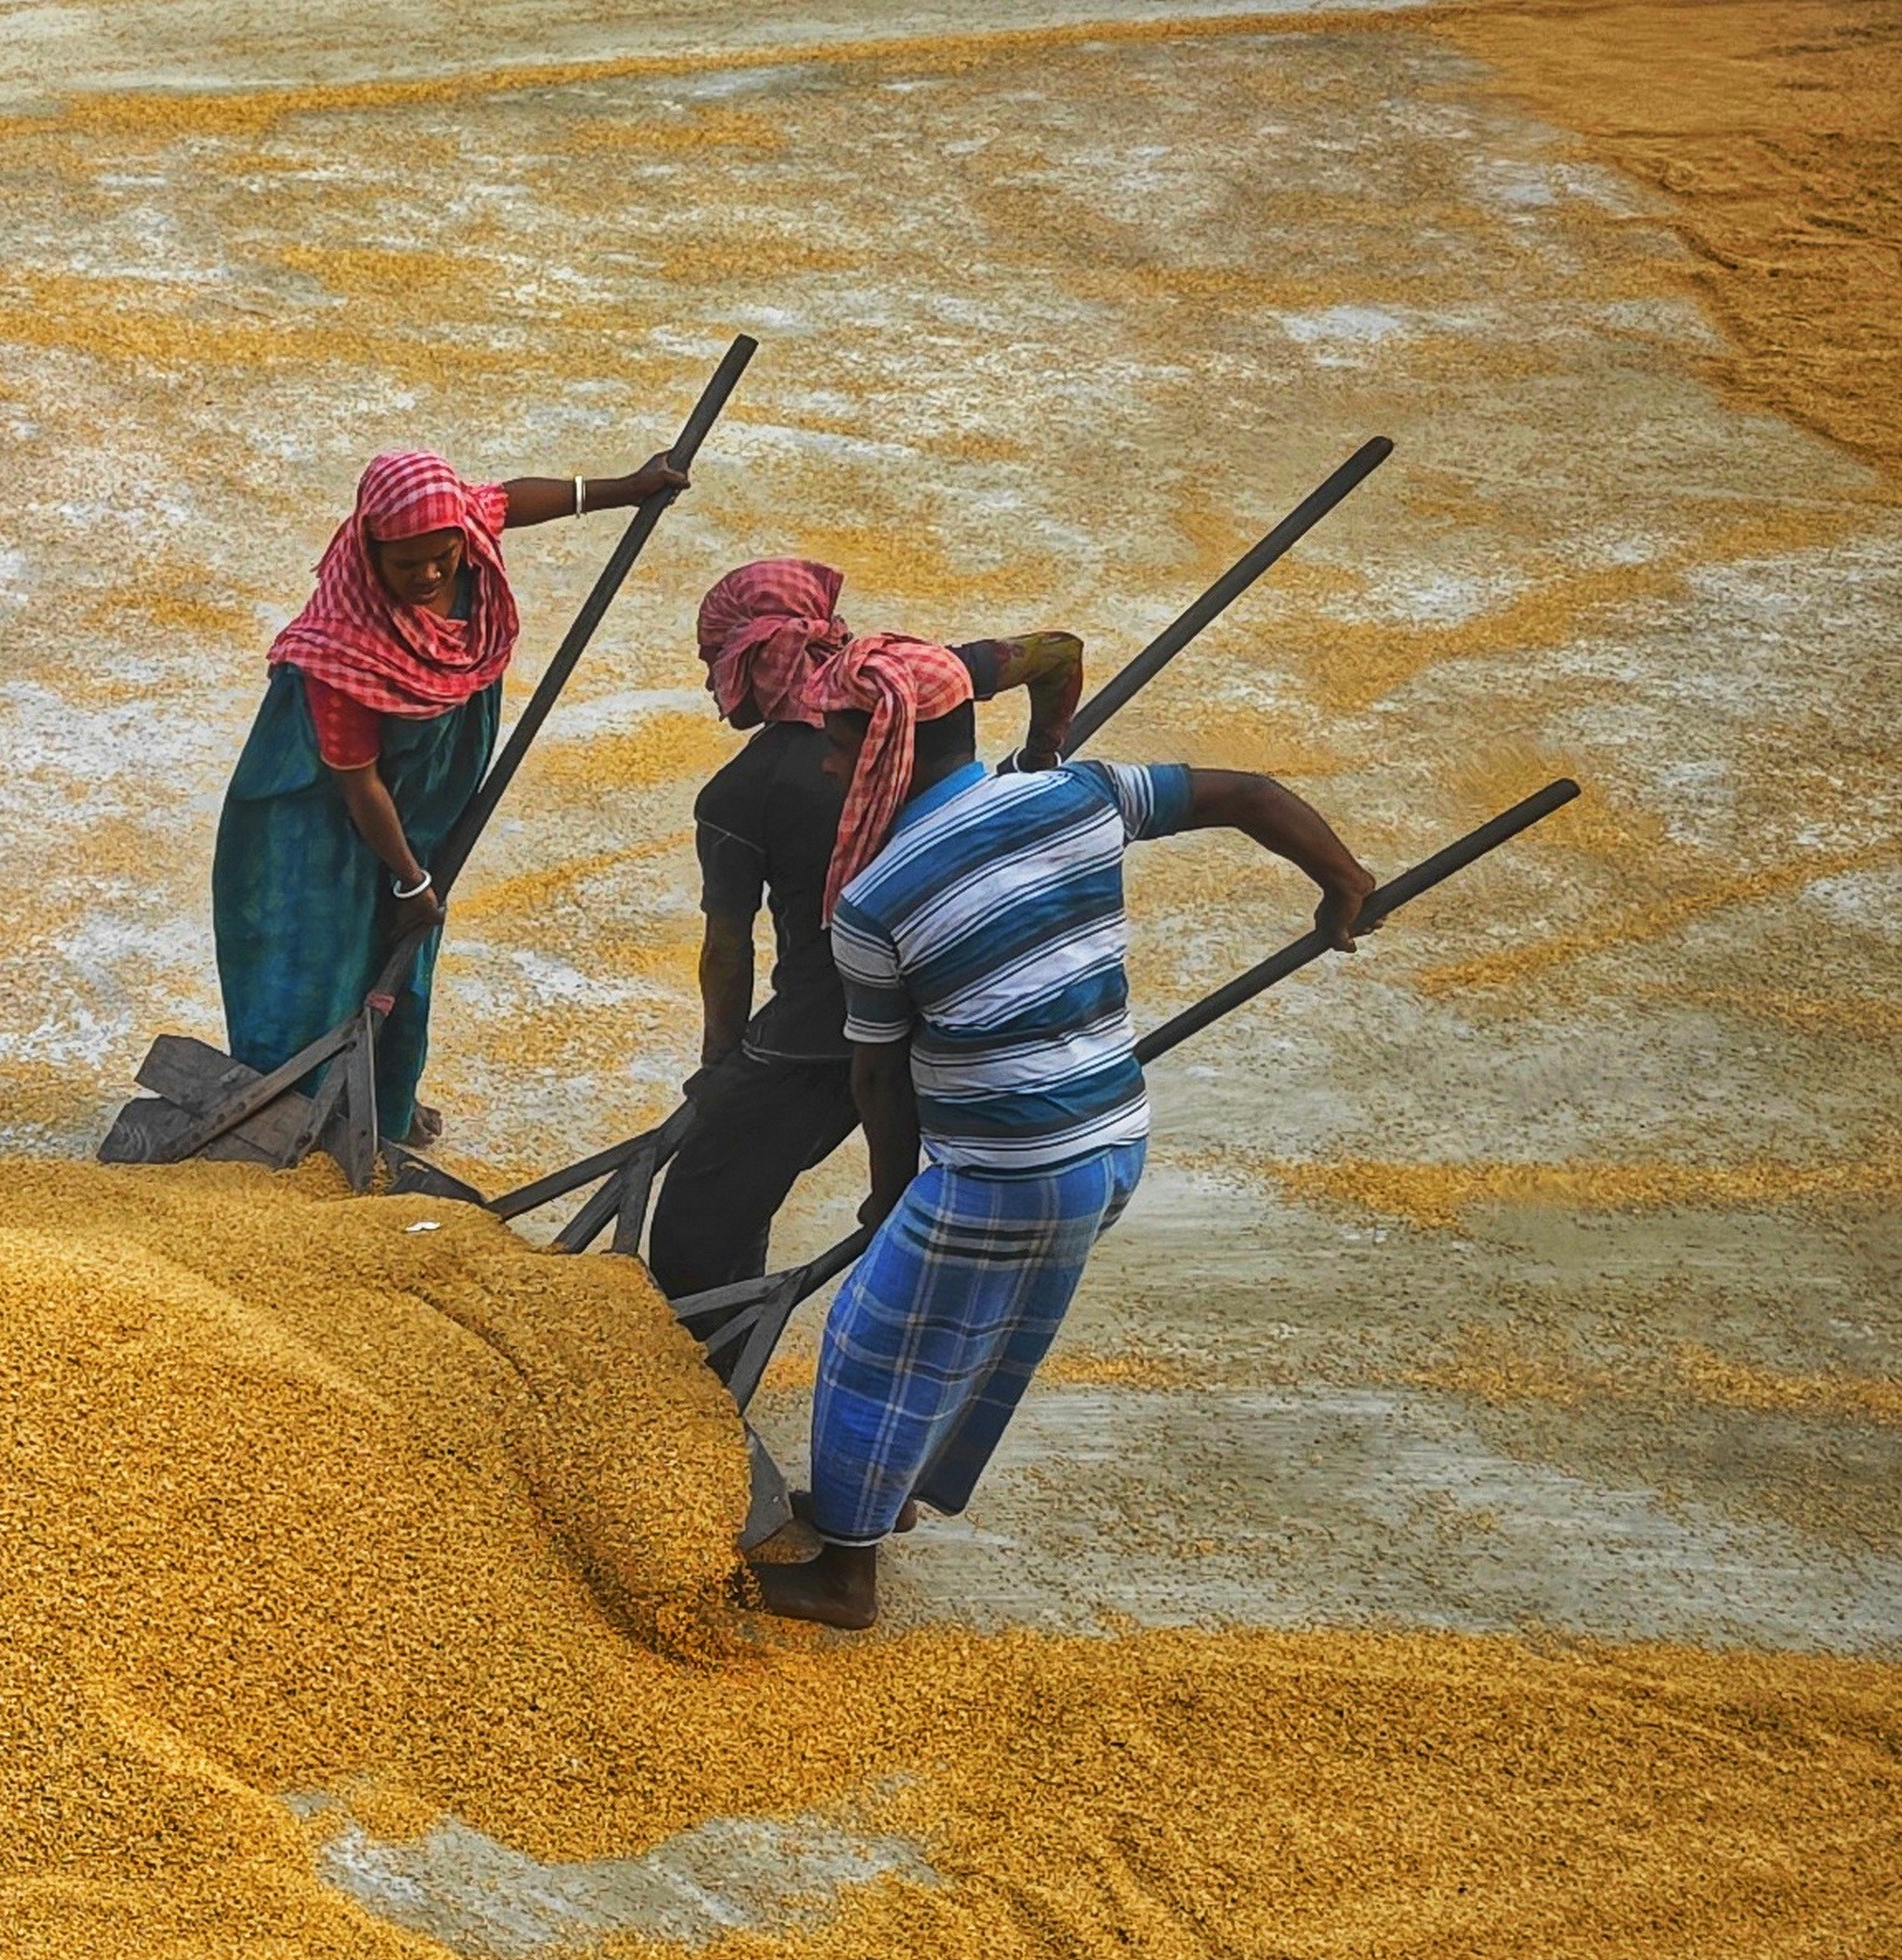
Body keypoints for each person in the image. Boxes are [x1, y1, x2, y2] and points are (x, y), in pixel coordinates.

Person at [743, 644, 1374, 1630]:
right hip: (1113, 1138)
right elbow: (1249, 795)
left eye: (839, 746)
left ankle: (844, 1577)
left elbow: (878, 1074)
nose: (827, 765)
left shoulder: (875, 901)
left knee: (872, 1342)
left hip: (1013, 1166)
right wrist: (1343, 880)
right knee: (964, 1325)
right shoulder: (1082, 795)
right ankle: (878, 1495)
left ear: (888, 753)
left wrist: (890, 1197)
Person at [211, 444, 687, 1150]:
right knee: (319, 956)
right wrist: (409, 880)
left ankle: (384, 1105)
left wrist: (630, 488)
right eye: (408, 564)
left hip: (413, 815)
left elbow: (510, 501)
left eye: (444, 557)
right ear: (371, 551)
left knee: (403, 956)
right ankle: (289, 1109)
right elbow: (358, 781)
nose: (431, 575)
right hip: (318, 822)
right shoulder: (344, 651)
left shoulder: (461, 534)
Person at [655, 562, 1081, 1305]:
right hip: (950, 1002)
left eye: (716, 659)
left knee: (700, 1214)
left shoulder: (738, 796)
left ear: (753, 659)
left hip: (821, 1034)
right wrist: (1040, 758)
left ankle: (700, 1347)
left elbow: (728, 950)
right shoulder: (916, 685)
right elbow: (1059, 653)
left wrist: (720, 1070)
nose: (710, 681)